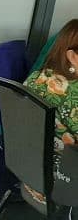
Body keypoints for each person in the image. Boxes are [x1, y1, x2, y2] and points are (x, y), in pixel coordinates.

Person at [23, 19, 78, 204]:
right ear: (72, 56)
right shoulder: (74, 95)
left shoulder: (38, 77)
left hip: (31, 175)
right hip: (64, 184)